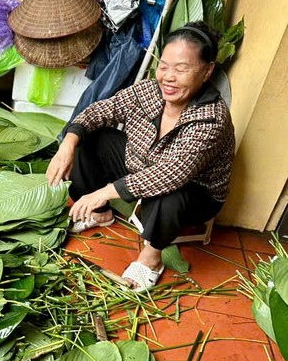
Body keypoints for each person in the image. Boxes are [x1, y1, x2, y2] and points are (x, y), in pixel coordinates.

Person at [46, 21, 235, 290]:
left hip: (193, 193)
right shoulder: (148, 91)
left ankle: (151, 259)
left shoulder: (211, 119)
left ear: (207, 72)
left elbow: (170, 175)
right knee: (89, 139)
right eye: (164, 66)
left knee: (170, 193)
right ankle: (100, 215)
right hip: (142, 165)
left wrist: (101, 192)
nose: (168, 77)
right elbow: (100, 111)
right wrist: (68, 142)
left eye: (181, 69)